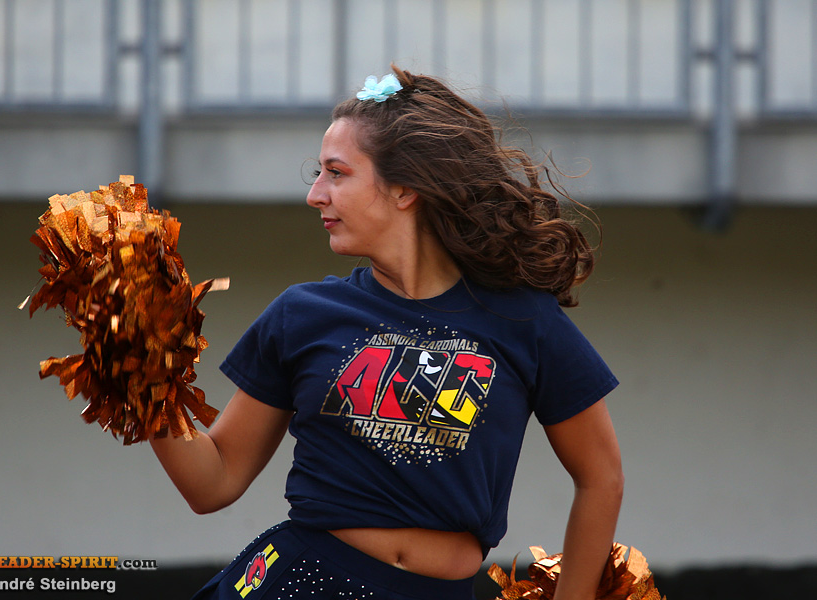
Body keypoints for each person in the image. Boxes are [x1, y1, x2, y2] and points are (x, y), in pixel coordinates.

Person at [151, 66, 623, 600]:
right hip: (303, 583)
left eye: (336, 173)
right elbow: (212, 483)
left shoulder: (523, 320)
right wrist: (141, 374)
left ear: (404, 189)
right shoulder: (303, 313)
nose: (315, 195)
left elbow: (601, 477)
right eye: (318, 173)